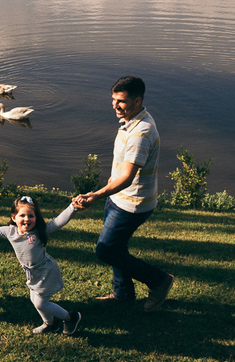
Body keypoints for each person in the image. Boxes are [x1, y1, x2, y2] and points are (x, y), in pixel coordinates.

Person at [72, 76, 175, 311]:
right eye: (113, 100)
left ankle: (159, 281)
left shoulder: (141, 133)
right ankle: (123, 293)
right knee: (117, 249)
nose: (115, 106)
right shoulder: (131, 121)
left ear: (137, 101)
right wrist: (108, 190)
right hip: (118, 198)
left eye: (121, 101)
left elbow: (128, 178)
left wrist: (96, 195)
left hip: (133, 204)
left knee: (106, 249)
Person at [0, 195, 83, 335]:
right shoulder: (10, 232)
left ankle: (71, 317)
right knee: (34, 299)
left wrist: (73, 207)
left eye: (31, 216)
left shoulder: (39, 232)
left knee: (41, 303)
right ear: (14, 217)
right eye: (22, 215)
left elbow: (58, 221)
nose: (27, 219)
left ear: (36, 217)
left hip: (46, 271)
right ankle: (51, 324)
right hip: (32, 273)